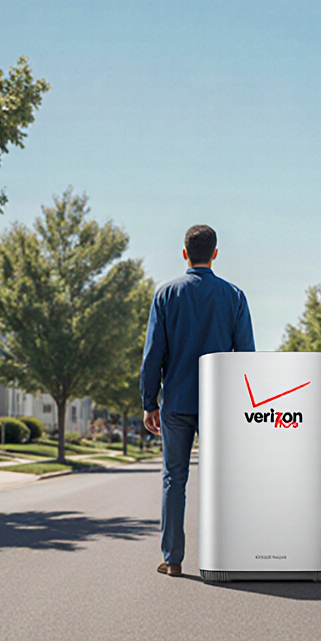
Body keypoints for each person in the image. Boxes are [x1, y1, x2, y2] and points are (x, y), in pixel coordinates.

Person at [141, 224, 255, 577]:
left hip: (175, 403)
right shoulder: (234, 296)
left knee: (174, 479)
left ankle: (173, 559)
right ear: (215, 253)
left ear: (184, 252)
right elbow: (246, 356)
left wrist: (149, 402)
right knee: (223, 478)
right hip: (219, 405)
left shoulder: (166, 295)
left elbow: (153, 355)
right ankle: (226, 555)